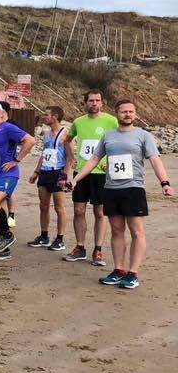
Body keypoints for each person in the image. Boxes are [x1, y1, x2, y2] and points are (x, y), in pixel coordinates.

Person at [72, 100, 174, 289]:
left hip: (133, 189)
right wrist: (76, 179)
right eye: (124, 112)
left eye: (131, 111)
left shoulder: (143, 136)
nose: (127, 114)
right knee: (117, 230)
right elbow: (94, 159)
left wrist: (165, 183)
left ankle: (133, 273)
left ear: (135, 114)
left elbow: (155, 159)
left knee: (136, 231)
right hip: (111, 189)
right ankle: (119, 270)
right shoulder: (108, 137)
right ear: (116, 114)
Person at [63, 90, 118, 266]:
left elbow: (119, 141)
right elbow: (67, 139)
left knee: (99, 212)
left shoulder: (111, 121)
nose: (94, 103)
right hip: (81, 172)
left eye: (97, 100)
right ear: (85, 102)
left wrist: (110, 160)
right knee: (79, 210)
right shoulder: (78, 122)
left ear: (102, 103)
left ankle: (98, 250)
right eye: (91, 100)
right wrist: (71, 157)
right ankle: (80, 247)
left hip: (102, 174)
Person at [0, 101, 36, 261]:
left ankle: (7, 235)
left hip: (8, 174)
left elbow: (30, 140)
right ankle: (3, 249)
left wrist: (16, 160)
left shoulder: (8, 128)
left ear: (1, 113)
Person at [27, 106, 70, 251]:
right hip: (45, 172)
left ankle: (60, 238)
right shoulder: (47, 134)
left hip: (57, 172)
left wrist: (64, 175)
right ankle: (44, 236)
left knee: (60, 207)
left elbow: (71, 157)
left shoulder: (65, 134)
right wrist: (36, 172)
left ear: (55, 116)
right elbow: (44, 153)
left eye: (47, 115)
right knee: (43, 205)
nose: (44, 117)